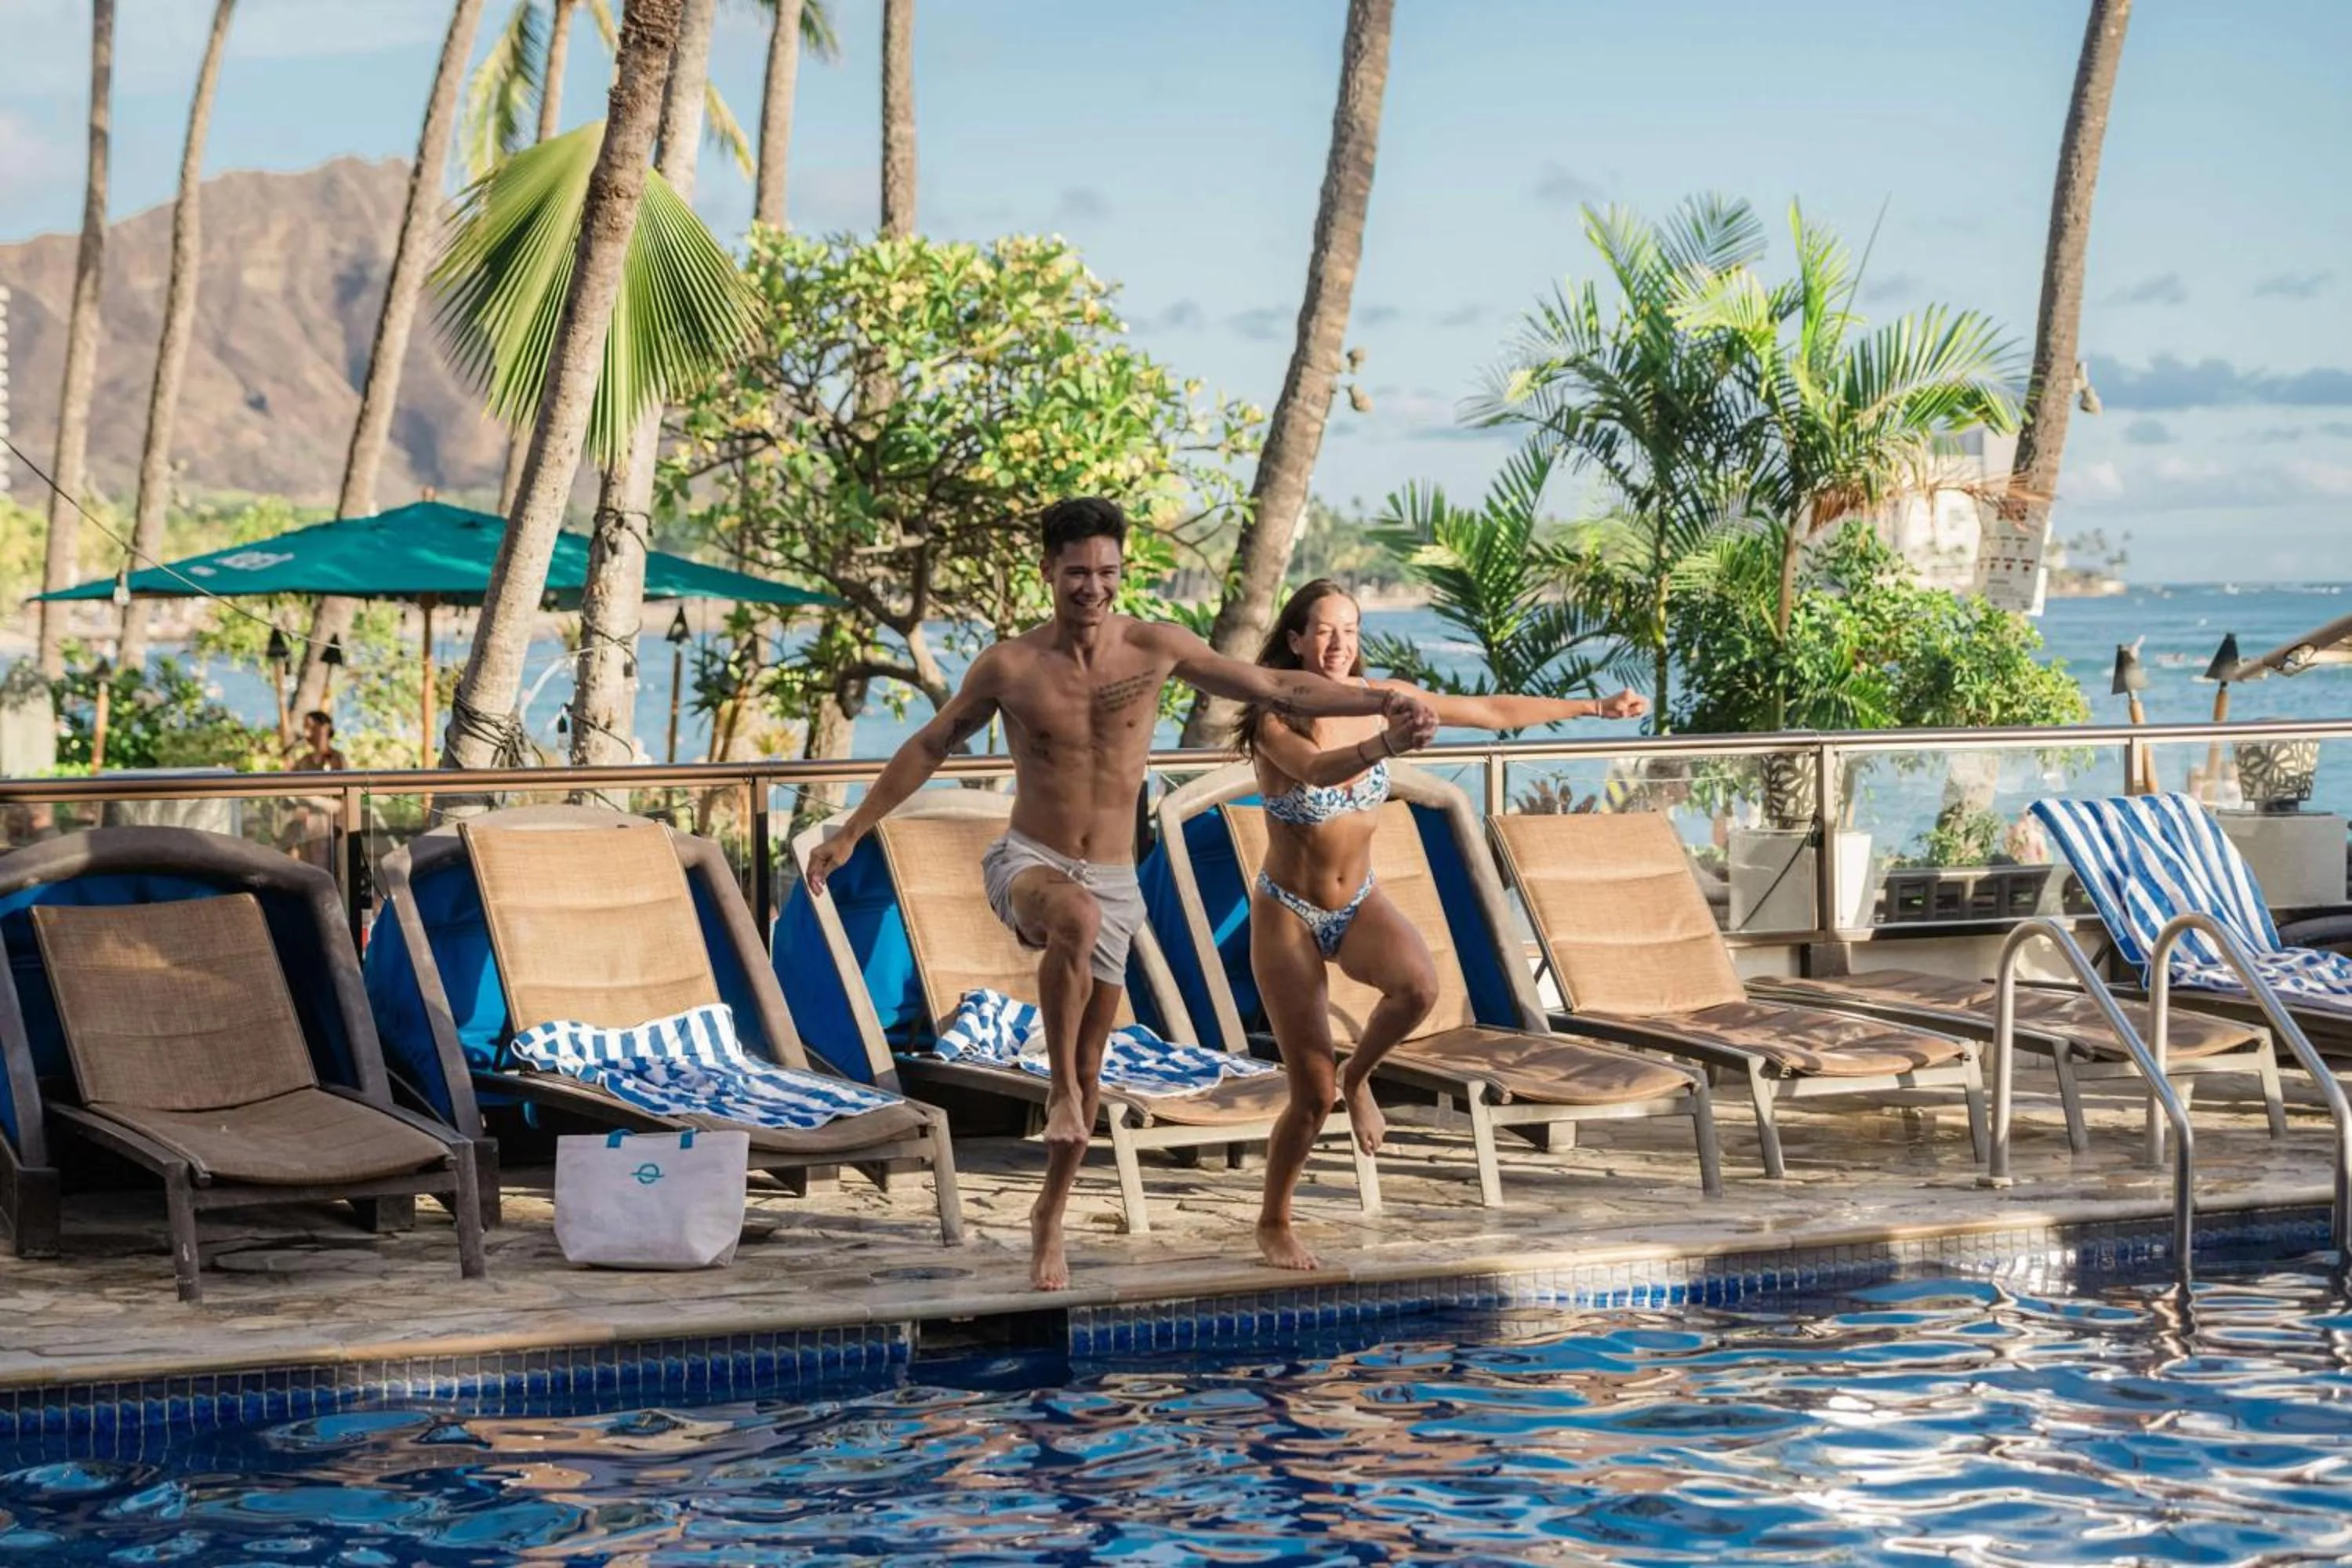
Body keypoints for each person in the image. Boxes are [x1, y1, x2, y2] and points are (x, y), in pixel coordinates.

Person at [801, 500, 1437, 1291]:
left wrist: (1379, 700)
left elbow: (1277, 685)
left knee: (1095, 1058)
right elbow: (933, 741)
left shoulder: (1154, 648)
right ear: (1048, 572)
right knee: (1075, 919)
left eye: (1106, 572)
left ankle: (1048, 1214)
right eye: (1076, 573)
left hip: (1114, 876)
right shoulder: (1010, 665)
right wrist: (855, 828)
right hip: (1029, 860)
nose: (1092, 588)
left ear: (1121, 572)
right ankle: (1060, 1087)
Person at [1236, 579, 1647, 1272]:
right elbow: (1317, 769)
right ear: (1297, 639)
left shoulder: (1381, 699)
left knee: (1418, 988)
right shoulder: (1277, 716)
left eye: (1352, 631)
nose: (1340, 646)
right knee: (1309, 1099)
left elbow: (1487, 709)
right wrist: (1386, 746)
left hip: (1357, 898)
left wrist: (1593, 705)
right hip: (1288, 914)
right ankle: (1274, 1219)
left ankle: (1360, 1077)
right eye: (1326, 632)